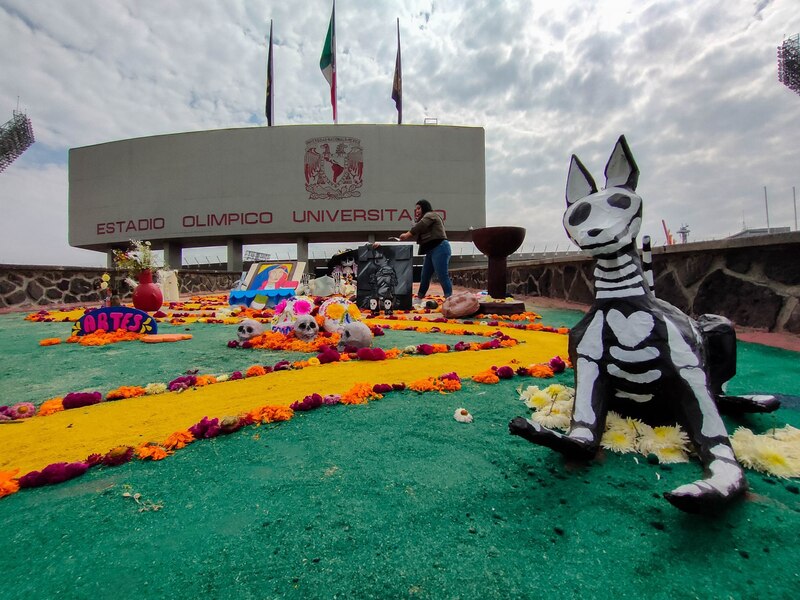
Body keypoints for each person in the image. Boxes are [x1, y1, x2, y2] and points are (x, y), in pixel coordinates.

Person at [399, 199, 453, 302]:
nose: (417, 211)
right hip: (430, 250)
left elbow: (421, 226)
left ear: (425, 207)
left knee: (442, 274)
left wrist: (407, 234)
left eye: (419, 208)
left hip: (440, 247)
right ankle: (419, 297)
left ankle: (449, 299)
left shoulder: (431, 215)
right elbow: (420, 227)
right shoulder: (424, 219)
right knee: (425, 275)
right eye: (416, 209)